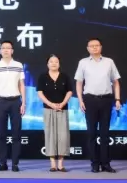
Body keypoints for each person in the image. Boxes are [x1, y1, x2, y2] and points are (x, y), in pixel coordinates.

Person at [75, 38, 121, 173]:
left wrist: (117, 99)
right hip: (90, 100)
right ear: (87, 48)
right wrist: (80, 100)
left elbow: (116, 82)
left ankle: (106, 163)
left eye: (97, 45)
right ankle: (94, 163)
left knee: (105, 133)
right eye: (92, 46)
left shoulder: (109, 62)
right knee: (92, 133)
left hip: (106, 99)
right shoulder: (83, 62)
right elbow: (79, 82)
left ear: (101, 47)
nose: (94, 47)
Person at [0, 40, 25, 172]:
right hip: (0, 102)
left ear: (12, 51)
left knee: (16, 134)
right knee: (1, 135)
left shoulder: (18, 65)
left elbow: (21, 84)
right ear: (0, 51)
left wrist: (24, 102)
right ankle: (3, 163)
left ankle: (15, 164)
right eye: (3, 48)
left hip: (16, 102)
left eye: (8, 48)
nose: (5, 50)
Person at [37, 54, 73, 172]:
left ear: (59, 64)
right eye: (51, 62)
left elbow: (69, 91)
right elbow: (40, 93)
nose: (54, 63)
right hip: (48, 109)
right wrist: (50, 104)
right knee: (50, 135)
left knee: (63, 136)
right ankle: (52, 164)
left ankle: (61, 164)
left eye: (56, 61)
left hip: (63, 109)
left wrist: (63, 103)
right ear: (47, 64)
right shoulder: (43, 77)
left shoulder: (65, 76)